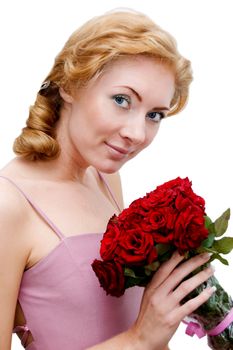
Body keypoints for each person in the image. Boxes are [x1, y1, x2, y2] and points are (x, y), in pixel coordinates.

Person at [0, 9, 216, 350]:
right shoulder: (8, 206)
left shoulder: (104, 179)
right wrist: (139, 339)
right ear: (71, 85)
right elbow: (138, 336)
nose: (137, 133)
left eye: (154, 115)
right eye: (121, 100)